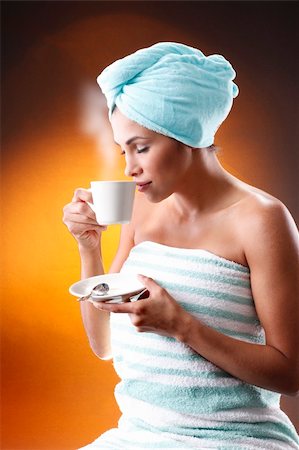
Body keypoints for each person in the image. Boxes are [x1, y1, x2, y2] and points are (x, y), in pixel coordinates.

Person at [63, 42, 299, 449]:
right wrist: (90, 247)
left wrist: (181, 326)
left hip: (236, 439)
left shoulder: (262, 220)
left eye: (141, 147)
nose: (128, 167)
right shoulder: (141, 208)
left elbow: (290, 374)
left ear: (185, 134)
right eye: (124, 150)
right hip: (140, 435)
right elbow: (104, 344)